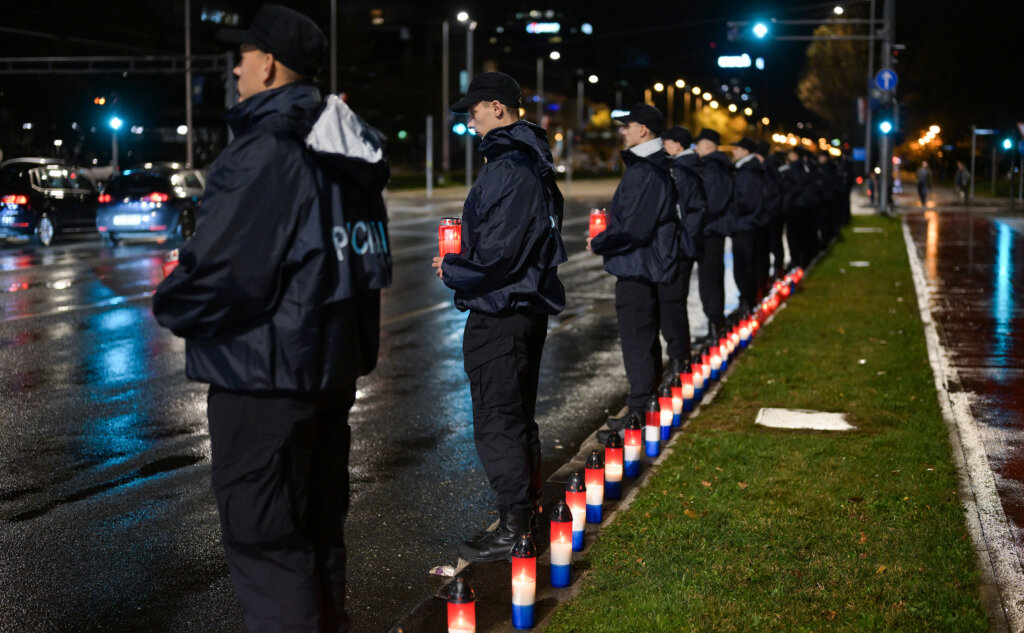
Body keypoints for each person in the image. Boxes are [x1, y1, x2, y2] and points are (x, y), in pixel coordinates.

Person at [152, 6, 391, 632]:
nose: (235, 70)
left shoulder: (263, 153)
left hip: (264, 376)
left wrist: (171, 300)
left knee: (268, 545)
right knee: (316, 534)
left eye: (243, 57)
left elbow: (225, 275)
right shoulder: (345, 148)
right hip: (328, 370)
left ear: (268, 65)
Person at [433, 71, 567, 562]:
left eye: (473, 112)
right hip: (520, 308)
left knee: (499, 421)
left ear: (496, 107)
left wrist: (452, 267)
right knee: (516, 418)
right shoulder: (525, 161)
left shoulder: (511, 168)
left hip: (503, 310)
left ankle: (514, 527)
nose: (470, 121)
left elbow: (499, 255)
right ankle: (524, 516)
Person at [589, 103, 679, 425]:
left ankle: (639, 411)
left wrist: (599, 242)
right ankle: (645, 402)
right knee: (644, 338)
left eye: (627, 126)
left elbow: (633, 228)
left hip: (637, 267)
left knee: (637, 339)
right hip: (642, 266)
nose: (622, 131)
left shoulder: (645, 171)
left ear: (643, 130)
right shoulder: (652, 167)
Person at [659, 125, 705, 377]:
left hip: (678, 250)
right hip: (683, 248)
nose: (663, 148)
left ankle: (679, 360)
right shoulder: (689, 168)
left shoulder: (680, 171)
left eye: (666, 143)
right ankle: (680, 357)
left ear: (677, 145)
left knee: (672, 305)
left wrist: (679, 244)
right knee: (674, 304)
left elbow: (688, 213)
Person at [694, 128, 733, 342]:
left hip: (710, 230)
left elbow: (712, 202)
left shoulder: (712, 168)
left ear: (708, 145)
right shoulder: (718, 166)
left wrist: (697, 217)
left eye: (698, 144)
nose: (696, 148)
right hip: (713, 230)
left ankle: (715, 326)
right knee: (713, 278)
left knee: (709, 280)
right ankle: (716, 323)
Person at [730, 136, 765, 314]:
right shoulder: (749, 169)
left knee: (743, 267)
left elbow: (746, 201)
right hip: (748, 224)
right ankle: (748, 298)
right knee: (747, 265)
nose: (733, 151)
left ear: (745, 151)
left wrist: (730, 209)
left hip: (744, 225)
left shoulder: (747, 171)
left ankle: (747, 301)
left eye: (736, 148)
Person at [755, 141, 785, 280]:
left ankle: (777, 271)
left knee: (772, 244)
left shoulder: (768, 169)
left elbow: (773, 192)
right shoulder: (770, 167)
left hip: (771, 215)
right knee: (771, 245)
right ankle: (774, 272)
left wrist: (769, 210)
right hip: (771, 214)